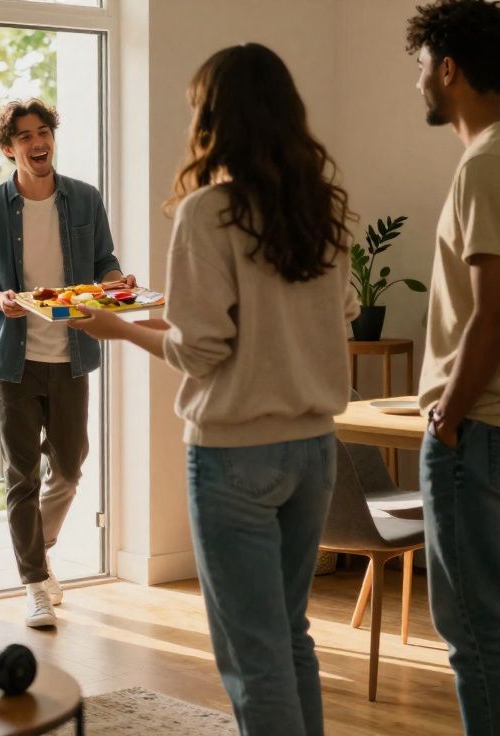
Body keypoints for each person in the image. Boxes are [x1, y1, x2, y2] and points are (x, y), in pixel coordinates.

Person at [72, 44, 357, 735]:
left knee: (252, 657)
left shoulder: (209, 211)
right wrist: (165, 317)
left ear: (216, 117)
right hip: (314, 450)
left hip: (236, 459)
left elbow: (202, 352)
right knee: (290, 638)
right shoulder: (322, 210)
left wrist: (122, 331)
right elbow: (324, 315)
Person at [407, 2, 500, 734]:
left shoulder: (492, 162)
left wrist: (450, 414)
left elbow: (492, 313)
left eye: (421, 69)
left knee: (471, 624)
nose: (418, 86)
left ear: (448, 68)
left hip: (480, 424)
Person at [0, 99, 135, 629]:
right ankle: (34, 582)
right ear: (8, 146)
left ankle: (37, 548)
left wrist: (117, 284)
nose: (38, 143)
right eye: (25, 136)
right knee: (21, 476)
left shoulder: (84, 199)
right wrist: (0, 299)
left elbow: (105, 263)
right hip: (14, 359)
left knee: (72, 463)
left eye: (44, 132)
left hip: (72, 354)